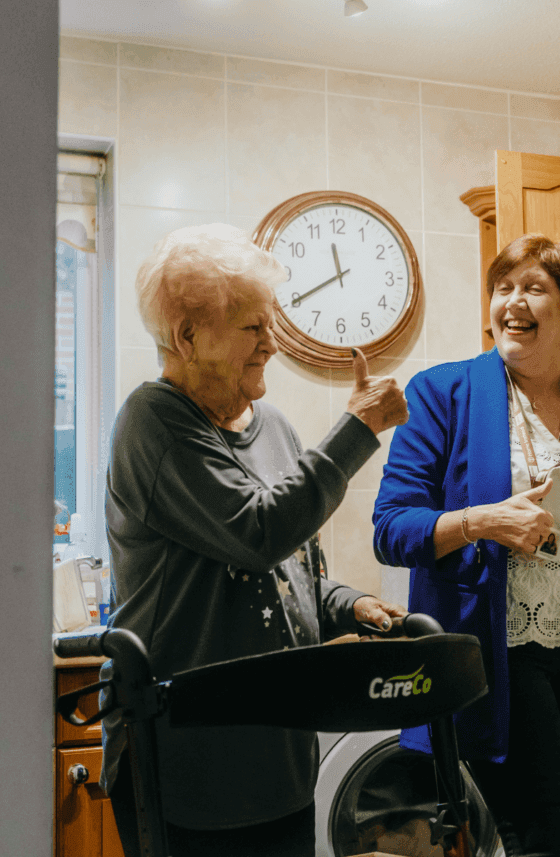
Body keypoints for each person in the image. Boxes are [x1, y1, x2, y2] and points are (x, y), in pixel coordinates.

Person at [100, 223, 409, 857]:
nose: (272, 343)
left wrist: (347, 603)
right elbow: (257, 532)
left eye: (271, 324)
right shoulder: (153, 421)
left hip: (277, 755)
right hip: (186, 756)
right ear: (187, 336)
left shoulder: (274, 427)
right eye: (253, 327)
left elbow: (289, 573)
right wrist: (358, 428)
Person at [372, 233, 560, 857]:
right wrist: (481, 522)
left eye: (534, 288)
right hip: (502, 652)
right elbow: (392, 527)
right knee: (542, 842)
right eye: (502, 288)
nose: (513, 302)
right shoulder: (442, 392)